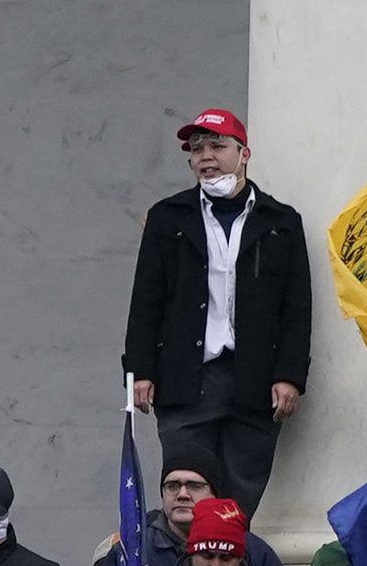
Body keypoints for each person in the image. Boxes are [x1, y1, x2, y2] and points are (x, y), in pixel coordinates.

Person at [121, 112, 313, 517]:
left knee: (240, 495)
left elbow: (296, 308)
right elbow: (146, 300)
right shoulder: (168, 218)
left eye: (218, 146)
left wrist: (290, 376)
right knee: (185, 490)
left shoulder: (281, 222)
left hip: (254, 382)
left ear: (244, 154)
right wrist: (140, 371)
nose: (207, 156)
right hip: (186, 379)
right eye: (197, 149)